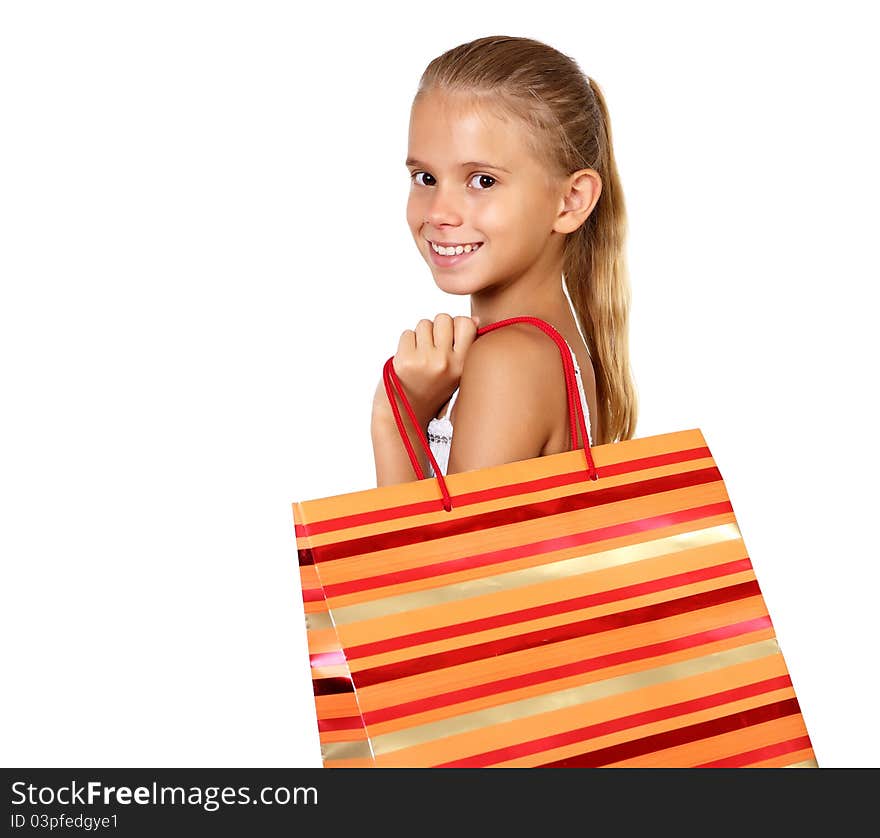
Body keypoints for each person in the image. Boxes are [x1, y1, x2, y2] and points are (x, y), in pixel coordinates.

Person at [372, 35, 638, 487]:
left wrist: (396, 416)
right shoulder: (555, 347)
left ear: (572, 200)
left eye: (482, 180)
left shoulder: (508, 360)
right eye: (426, 177)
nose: (438, 212)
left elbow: (447, 559)